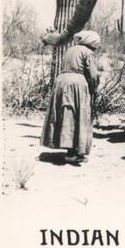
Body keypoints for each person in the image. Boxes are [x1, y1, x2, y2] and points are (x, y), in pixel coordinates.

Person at [41, 30, 100, 165]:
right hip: (77, 84)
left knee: (65, 114)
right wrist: (93, 88)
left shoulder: (70, 49)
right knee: (78, 116)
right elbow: (93, 75)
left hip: (61, 81)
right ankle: (74, 153)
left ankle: (68, 149)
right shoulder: (87, 52)